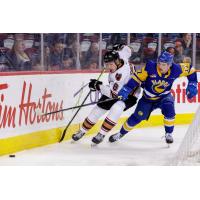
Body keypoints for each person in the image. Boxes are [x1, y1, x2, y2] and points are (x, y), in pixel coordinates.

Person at [109, 51, 198, 144]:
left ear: (169, 65)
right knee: (136, 117)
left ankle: (169, 134)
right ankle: (121, 133)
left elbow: (191, 70)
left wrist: (193, 83)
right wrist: (127, 89)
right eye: (159, 63)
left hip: (164, 97)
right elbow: (136, 78)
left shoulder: (176, 69)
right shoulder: (150, 67)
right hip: (147, 99)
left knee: (169, 110)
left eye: (163, 64)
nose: (160, 66)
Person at [72, 47, 141, 145]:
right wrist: (118, 47)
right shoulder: (121, 57)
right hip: (116, 89)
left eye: (111, 64)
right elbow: (128, 50)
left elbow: (113, 94)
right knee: (99, 108)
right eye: (107, 64)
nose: (109, 67)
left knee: (116, 108)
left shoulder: (119, 75)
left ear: (117, 62)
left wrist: (98, 86)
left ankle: (101, 134)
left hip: (130, 95)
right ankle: (82, 131)